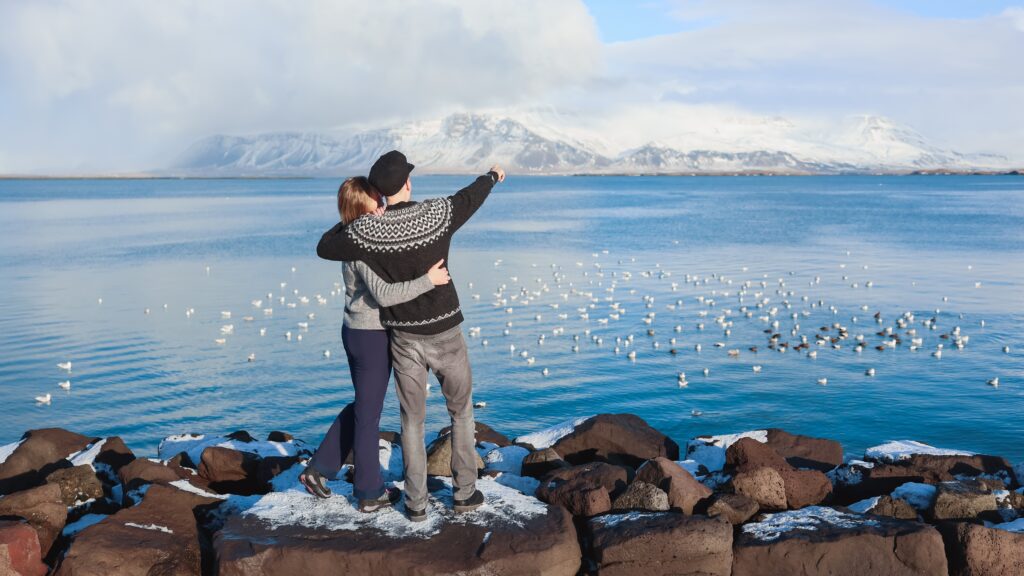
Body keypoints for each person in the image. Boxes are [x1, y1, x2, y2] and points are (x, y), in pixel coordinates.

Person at [317, 150, 504, 522]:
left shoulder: (367, 230)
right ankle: (464, 493)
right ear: (408, 183)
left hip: (403, 337)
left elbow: (325, 246)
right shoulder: (437, 213)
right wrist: (493, 176)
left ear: (380, 192)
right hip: (446, 331)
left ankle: (416, 503)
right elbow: (470, 198)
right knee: (461, 413)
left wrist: (358, 217)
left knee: (411, 421)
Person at [299, 176, 451, 514]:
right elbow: (383, 294)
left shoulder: (351, 237)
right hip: (370, 336)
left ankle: (319, 469)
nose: (382, 202)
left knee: (362, 407)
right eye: (375, 198)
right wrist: (429, 280)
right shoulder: (362, 243)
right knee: (369, 416)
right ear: (361, 205)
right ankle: (369, 492)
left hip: (354, 331)